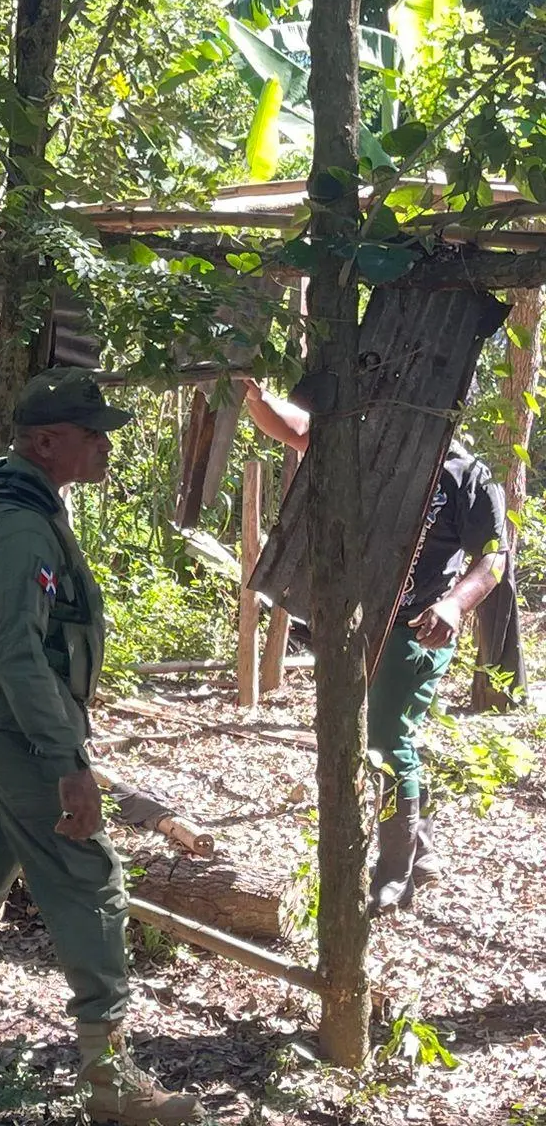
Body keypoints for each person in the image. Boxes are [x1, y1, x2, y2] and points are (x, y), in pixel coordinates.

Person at [0, 369, 204, 1126]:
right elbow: (19, 655)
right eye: (93, 434)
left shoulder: (16, 500)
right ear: (48, 442)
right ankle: (108, 1079)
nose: (105, 446)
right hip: (14, 728)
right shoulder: (21, 525)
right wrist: (68, 764)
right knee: (89, 876)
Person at [240, 378, 507, 912]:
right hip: (360, 622)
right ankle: (422, 852)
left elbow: (494, 559)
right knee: (392, 734)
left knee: (386, 740)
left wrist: (454, 606)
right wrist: (256, 397)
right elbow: (302, 430)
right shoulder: (375, 447)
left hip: (418, 629)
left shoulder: (469, 477)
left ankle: (393, 874)